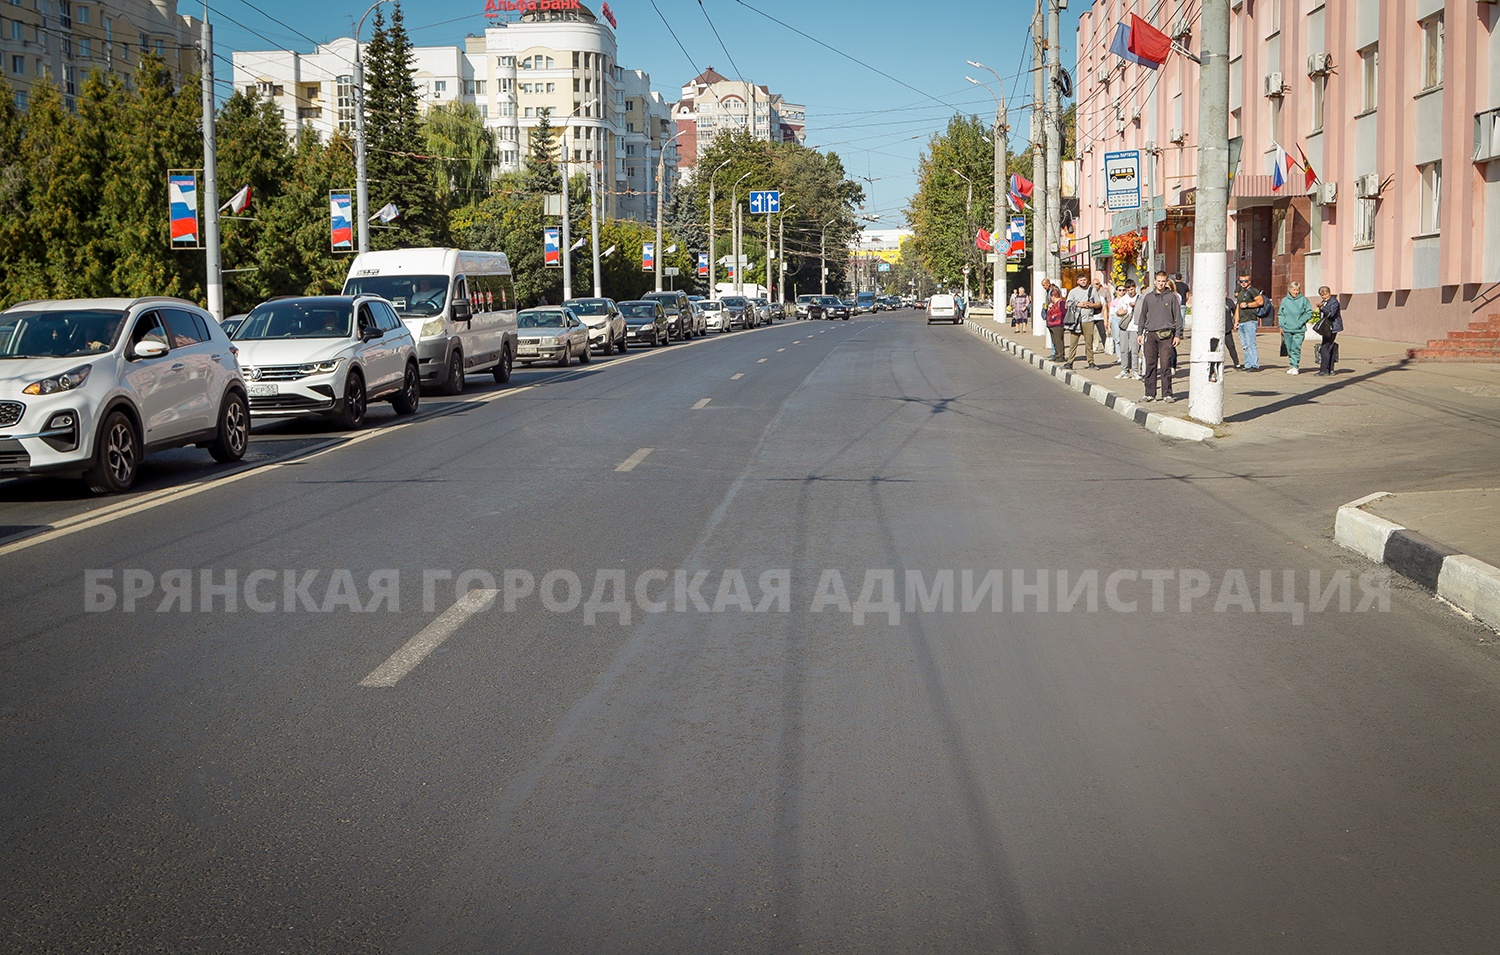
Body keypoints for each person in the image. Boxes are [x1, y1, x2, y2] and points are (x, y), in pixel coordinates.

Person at [1134, 271, 1184, 402]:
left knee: (1165, 364)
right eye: (1158, 281)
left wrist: (1178, 335)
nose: (1161, 283)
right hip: (1150, 335)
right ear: (1155, 281)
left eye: (1163, 281)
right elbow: (1142, 317)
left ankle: (1167, 394)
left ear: (1166, 282)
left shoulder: (1171, 297)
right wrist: (1139, 333)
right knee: (1150, 364)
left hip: (1166, 335)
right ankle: (1150, 393)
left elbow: (1178, 317)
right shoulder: (1148, 297)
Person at [1278, 281, 1314, 374]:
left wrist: (1301, 321)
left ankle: (1295, 366)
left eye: (1297, 290)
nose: (1296, 292)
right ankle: (1292, 365)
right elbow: (1281, 314)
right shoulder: (1285, 301)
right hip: (1287, 328)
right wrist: (1281, 325)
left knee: (1296, 348)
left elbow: (1309, 312)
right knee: (1289, 348)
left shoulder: (1304, 300)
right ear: (1290, 290)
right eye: (1294, 290)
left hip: (1299, 329)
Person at [1062, 274, 1098, 368]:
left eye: (1085, 280)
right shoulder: (1073, 292)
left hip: (1088, 319)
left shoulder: (1092, 290)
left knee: (1089, 342)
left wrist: (1091, 305)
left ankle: (1091, 362)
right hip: (1076, 320)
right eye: (1081, 280)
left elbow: (1098, 303)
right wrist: (1079, 304)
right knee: (1073, 342)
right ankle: (1070, 362)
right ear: (1077, 281)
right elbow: (1067, 304)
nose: (1083, 281)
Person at [1234, 273, 1265, 371]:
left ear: (1249, 281)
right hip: (1242, 322)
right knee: (1245, 345)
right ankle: (1248, 364)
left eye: (1245, 281)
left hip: (1250, 320)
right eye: (1241, 281)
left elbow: (1260, 302)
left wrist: (1247, 305)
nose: (1243, 283)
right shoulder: (1241, 293)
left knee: (1251, 344)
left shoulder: (1253, 291)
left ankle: (1254, 365)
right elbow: (1238, 307)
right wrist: (1236, 321)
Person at [1315, 285, 1344, 376]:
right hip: (1327, 327)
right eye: (1322, 295)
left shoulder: (1334, 302)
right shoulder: (1325, 302)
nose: (1324, 297)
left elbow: (1331, 314)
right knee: (1329, 348)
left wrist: (1322, 308)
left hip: (1332, 327)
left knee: (1325, 348)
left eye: (1325, 294)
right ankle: (1330, 370)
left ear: (1329, 293)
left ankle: (1323, 370)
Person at [1111, 283, 1138, 379]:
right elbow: (1116, 311)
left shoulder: (1139, 298)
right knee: (1124, 349)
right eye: (1128, 290)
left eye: (1132, 289)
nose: (1130, 292)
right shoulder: (1123, 299)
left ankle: (1135, 371)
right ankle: (1124, 370)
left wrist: (1136, 307)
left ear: (1135, 288)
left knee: (1135, 350)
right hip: (1125, 326)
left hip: (1135, 327)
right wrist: (1121, 312)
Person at [1045, 286, 1067, 361]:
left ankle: (1061, 355)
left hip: (1058, 324)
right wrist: (1049, 308)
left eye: (1051, 296)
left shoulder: (1061, 303)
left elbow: (1065, 313)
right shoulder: (1053, 304)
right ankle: (1057, 355)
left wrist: (1064, 324)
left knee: (1059, 340)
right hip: (1051, 324)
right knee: (1054, 341)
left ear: (1053, 296)